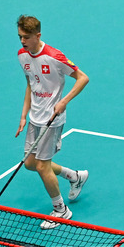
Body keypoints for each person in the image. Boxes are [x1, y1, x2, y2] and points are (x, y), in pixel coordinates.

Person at [16, 15, 90, 230]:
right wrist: (24, 115)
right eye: (20, 37)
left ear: (38, 35)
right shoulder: (22, 55)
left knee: (42, 166)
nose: (22, 41)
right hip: (35, 117)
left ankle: (61, 210)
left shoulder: (54, 56)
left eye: (26, 37)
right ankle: (74, 176)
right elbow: (31, 84)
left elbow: (83, 78)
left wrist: (64, 101)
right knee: (30, 163)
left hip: (52, 118)